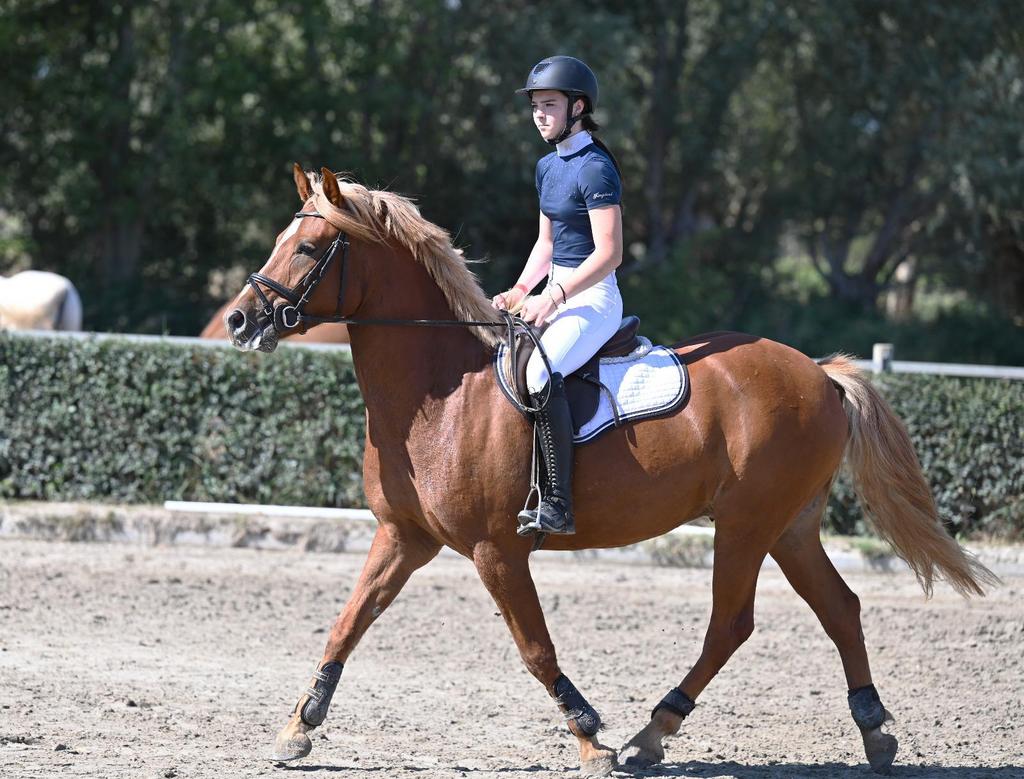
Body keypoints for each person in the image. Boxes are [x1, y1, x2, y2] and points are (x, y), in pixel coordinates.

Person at [492, 55, 624, 536]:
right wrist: (522, 288)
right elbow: (547, 244)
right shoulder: (548, 166)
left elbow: (609, 255)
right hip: (554, 290)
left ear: (578, 107)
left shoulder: (596, 168)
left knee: (540, 374)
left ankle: (559, 504)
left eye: (548, 105)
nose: (539, 115)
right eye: (535, 107)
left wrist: (554, 296)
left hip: (593, 300)